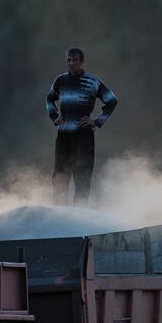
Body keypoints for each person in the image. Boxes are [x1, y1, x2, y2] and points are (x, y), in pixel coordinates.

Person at [45, 47, 118, 205]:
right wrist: (54, 116)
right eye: (68, 60)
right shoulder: (61, 80)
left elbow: (111, 100)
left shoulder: (92, 81)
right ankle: (60, 214)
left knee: (82, 176)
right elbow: (50, 99)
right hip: (64, 134)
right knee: (60, 176)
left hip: (84, 135)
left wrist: (96, 121)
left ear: (82, 61)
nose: (71, 63)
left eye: (75, 60)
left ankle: (79, 215)